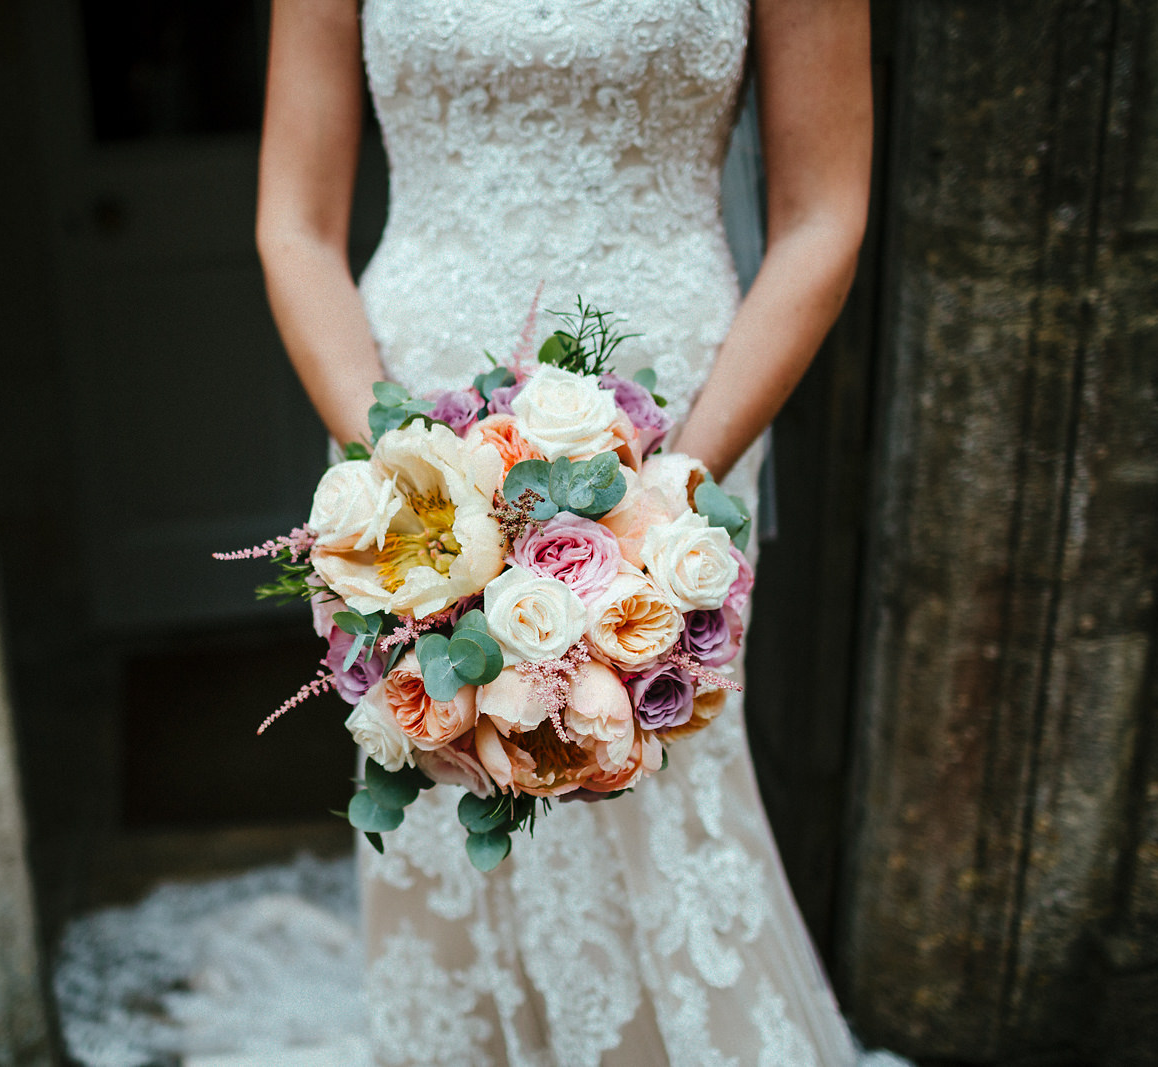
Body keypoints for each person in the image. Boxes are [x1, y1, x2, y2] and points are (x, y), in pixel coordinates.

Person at [256, 1, 875, 1064]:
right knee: (440, 742)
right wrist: (400, 465)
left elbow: (823, 213)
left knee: (646, 753)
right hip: (407, 408)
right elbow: (294, 225)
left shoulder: (680, 466)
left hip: (677, 414)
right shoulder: (403, 449)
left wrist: (674, 487)